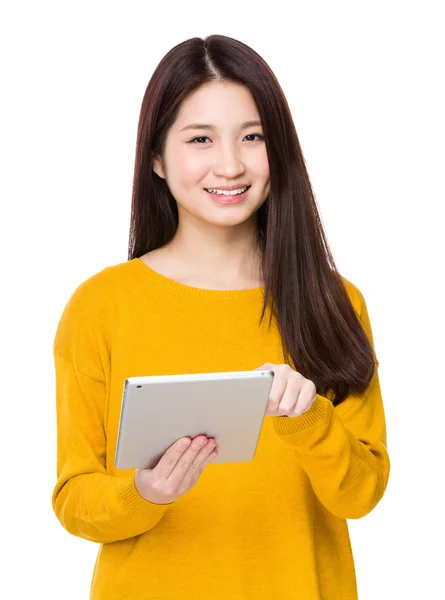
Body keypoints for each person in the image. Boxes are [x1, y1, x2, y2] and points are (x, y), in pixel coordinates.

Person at [52, 34, 390, 600]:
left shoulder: (334, 301)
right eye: (200, 139)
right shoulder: (101, 307)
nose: (230, 165)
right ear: (156, 158)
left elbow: (362, 493)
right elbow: (74, 500)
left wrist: (309, 421)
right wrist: (145, 491)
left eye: (252, 137)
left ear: (278, 150)